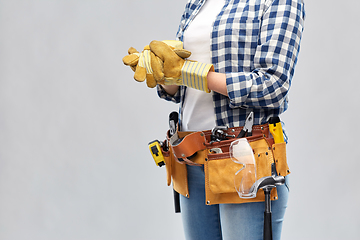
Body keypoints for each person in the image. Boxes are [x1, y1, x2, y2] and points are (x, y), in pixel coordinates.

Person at [124, 0, 305, 239]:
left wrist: (192, 73)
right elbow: (182, 90)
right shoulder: (198, 2)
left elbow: (273, 85)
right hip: (190, 159)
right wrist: (162, 73)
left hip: (244, 160)